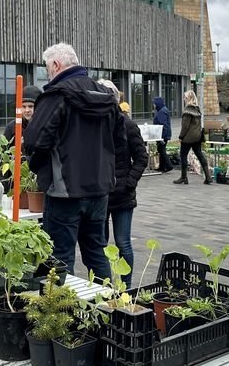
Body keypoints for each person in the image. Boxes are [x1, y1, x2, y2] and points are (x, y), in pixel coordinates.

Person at [24, 43, 124, 280]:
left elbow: (35, 140)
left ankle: (59, 312)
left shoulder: (56, 95)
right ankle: (105, 310)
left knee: (58, 257)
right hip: (99, 190)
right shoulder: (106, 97)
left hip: (64, 191)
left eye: (48, 68)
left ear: (56, 65)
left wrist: (38, 168)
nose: (47, 73)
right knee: (96, 253)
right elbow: (120, 142)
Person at [99, 79, 148, 286]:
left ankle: (125, 286)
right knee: (100, 244)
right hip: (99, 194)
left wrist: (129, 182)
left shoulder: (127, 124)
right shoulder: (95, 125)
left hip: (122, 194)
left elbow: (141, 157)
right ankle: (104, 284)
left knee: (123, 243)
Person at [173, 89, 212, 185]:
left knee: (183, 155)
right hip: (197, 137)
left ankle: (183, 177)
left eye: (185, 97)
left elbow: (185, 126)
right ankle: (208, 176)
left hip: (188, 138)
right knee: (199, 154)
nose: (183, 99)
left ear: (188, 98)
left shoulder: (187, 111)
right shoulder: (197, 109)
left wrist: (180, 137)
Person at [152, 96, 174, 172]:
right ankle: (162, 167)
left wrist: (162, 137)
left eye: (154, 103)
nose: (153, 105)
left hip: (162, 135)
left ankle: (169, 165)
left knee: (162, 150)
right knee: (160, 149)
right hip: (163, 134)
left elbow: (162, 125)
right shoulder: (162, 110)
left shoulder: (162, 112)